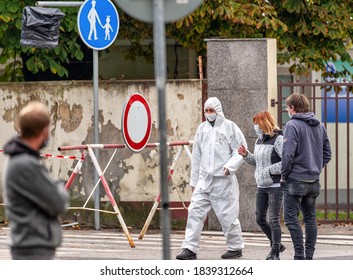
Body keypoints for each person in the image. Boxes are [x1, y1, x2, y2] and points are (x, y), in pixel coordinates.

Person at [176, 97, 247, 260]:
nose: (209, 114)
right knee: (194, 211)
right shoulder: (202, 129)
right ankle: (189, 248)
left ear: (218, 111)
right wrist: (194, 181)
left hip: (223, 180)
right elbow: (197, 156)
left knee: (228, 215)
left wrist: (230, 166)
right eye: (206, 111)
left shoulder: (230, 127)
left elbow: (240, 150)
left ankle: (235, 247)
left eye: (211, 111)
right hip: (204, 180)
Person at [3, 101, 69, 260]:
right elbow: (58, 202)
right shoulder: (25, 164)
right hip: (32, 249)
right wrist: (58, 186)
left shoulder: (22, 160)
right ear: (45, 131)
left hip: (31, 246)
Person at [281, 93, 331, 260]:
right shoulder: (320, 126)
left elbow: (287, 155)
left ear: (293, 108)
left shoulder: (292, 125)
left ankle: (299, 256)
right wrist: (315, 167)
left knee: (290, 218)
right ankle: (308, 256)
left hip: (295, 180)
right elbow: (327, 153)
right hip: (313, 181)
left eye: (287, 107)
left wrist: (284, 176)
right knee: (310, 218)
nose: (286, 109)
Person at [237, 111, 285, 260]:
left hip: (275, 185)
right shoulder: (259, 141)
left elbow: (287, 162)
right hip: (261, 185)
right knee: (259, 218)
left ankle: (275, 252)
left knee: (274, 219)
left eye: (257, 123)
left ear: (264, 123)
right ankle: (276, 243)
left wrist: (270, 171)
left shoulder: (278, 139)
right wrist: (246, 155)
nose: (255, 127)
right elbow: (256, 162)